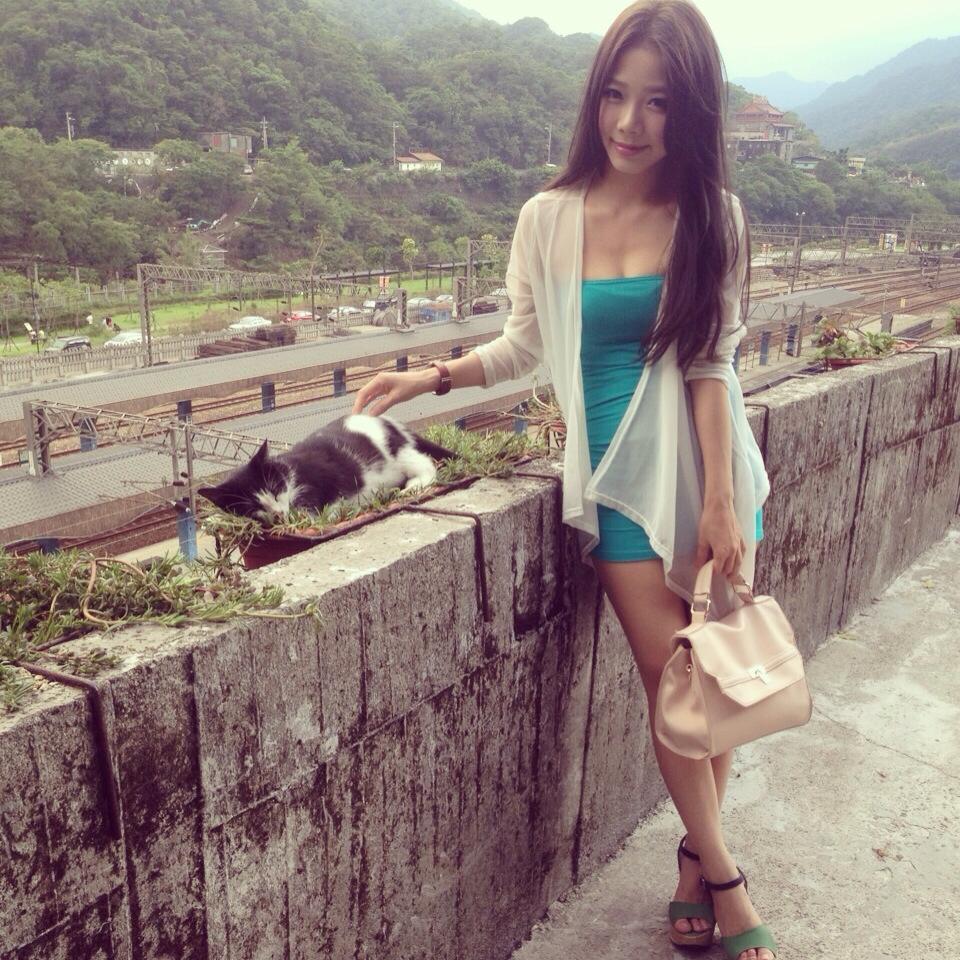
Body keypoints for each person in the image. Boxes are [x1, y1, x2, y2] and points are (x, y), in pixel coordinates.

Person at [351, 2, 773, 957]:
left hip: (711, 474)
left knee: (714, 685)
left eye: (658, 103)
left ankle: (693, 864)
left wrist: (720, 501)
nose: (631, 122)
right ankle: (729, 878)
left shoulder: (715, 217)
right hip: (617, 485)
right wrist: (432, 377)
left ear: (691, 112)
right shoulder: (547, 217)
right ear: (594, 99)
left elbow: (713, 362)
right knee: (672, 685)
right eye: (616, 95)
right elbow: (524, 345)